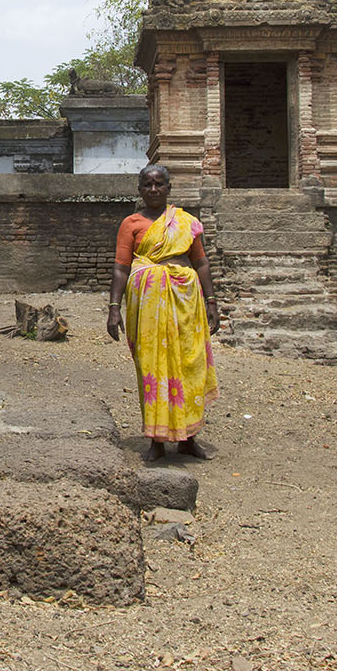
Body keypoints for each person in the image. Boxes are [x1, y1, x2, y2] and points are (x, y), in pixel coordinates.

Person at [105, 164, 219, 462]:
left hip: (186, 301)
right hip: (149, 306)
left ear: (169, 188)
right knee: (152, 369)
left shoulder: (185, 222)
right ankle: (156, 440)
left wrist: (212, 302)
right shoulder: (131, 224)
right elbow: (121, 268)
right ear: (139, 189)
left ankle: (188, 438)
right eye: (147, 185)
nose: (153, 190)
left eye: (159, 184)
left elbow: (202, 263)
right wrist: (114, 308)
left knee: (189, 363)